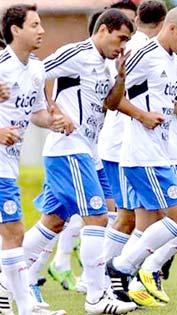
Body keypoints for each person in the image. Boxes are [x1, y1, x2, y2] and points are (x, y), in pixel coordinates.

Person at [21, 9, 139, 314]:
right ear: (103, 30)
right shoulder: (76, 53)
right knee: (97, 217)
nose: (122, 46)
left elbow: (112, 104)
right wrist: (53, 112)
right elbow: (35, 75)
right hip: (68, 149)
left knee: (55, 221)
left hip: (89, 152)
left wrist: (122, 75)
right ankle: (96, 296)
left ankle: (12, 273)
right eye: (120, 38)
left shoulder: (107, 64)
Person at [104, 6, 177, 307]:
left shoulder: (171, 59)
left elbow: (164, 103)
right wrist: (142, 115)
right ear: (171, 28)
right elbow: (112, 99)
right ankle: (120, 268)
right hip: (142, 154)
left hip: (160, 152)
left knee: (152, 221)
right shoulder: (145, 53)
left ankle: (125, 274)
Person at [0, 4, 72, 314]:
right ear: (15, 30)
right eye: (35, 25)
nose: (42, 31)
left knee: (10, 235)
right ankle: (27, 307)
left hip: (10, 162)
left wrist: (54, 120)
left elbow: (36, 113)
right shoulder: (1, 65)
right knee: (15, 232)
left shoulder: (37, 68)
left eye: (41, 24)